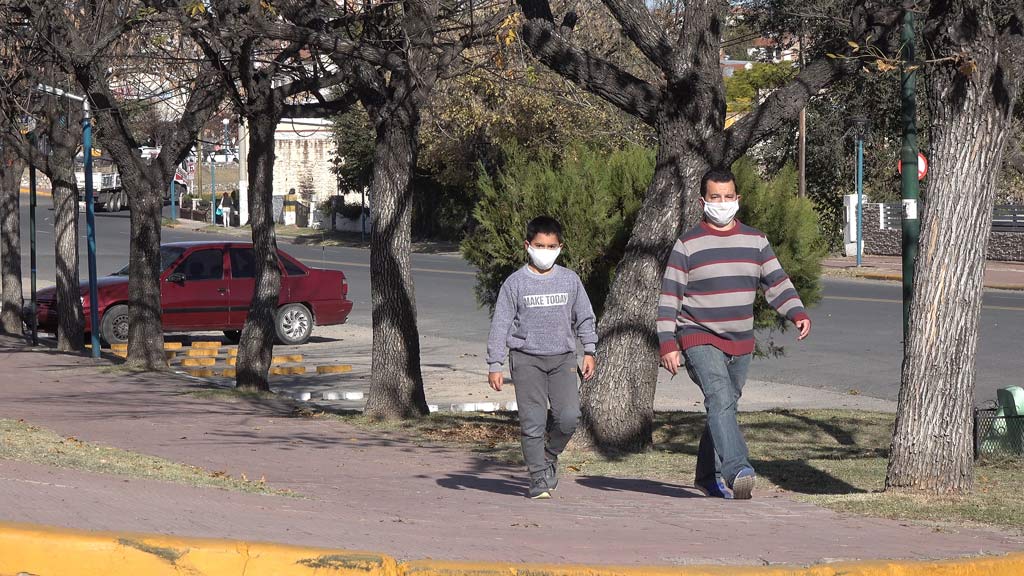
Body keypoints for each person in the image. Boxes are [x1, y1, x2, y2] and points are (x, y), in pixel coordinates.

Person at [657, 168, 811, 500]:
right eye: (715, 197)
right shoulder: (687, 245)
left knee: (724, 406)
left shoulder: (756, 241)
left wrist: (795, 312)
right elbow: (670, 297)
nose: (722, 203)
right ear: (703, 201)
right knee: (720, 398)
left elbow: (776, 281)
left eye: (728, 197)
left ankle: (706, 476)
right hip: (698, 334)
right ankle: (737, 469)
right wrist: (668, 342)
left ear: (737, 199)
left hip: (740, 340)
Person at [486, 216, 598, 500]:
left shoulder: (570, 279)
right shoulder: (515, 283)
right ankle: (537, 478)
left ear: (560, 247)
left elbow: (584, 316)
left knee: (569, 417)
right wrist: (495, 364)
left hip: (562, 359)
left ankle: (549, 455)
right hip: (526, 360)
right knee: (533, 421)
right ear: (528, 245)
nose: (545, 251)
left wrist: (589, 350)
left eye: (551, 246)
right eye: (539, 245)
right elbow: (500, 324)